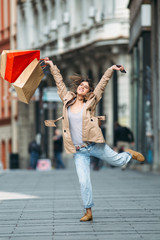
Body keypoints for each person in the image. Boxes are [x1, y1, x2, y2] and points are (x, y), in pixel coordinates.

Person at [44, 58, 145, 222]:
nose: (82, 88)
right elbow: (59, 83)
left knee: (119, 162)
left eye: (86, 87)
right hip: (79, 151)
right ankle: (88, 211)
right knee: (84, 181)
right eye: (81, 85)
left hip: (94, 145)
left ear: (88, 91)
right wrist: (51, 66)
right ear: (77, 88)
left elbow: (102, 85)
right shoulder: (67, 99)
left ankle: (128, 154)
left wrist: (111, 70)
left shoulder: (91, 101)